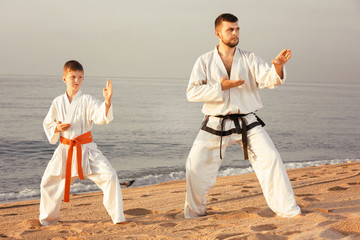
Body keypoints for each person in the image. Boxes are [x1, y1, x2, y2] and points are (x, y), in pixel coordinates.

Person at [184, 13, 301, 218]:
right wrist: (219, 87)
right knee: (194, 165)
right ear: (218, 33)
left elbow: (269, 80)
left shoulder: (249, 58)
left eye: (237, 29)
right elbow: (191, 93)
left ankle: (288, 211)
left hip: (247, 121)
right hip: (215, 122)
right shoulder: (204, 61)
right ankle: (194, 212)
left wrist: (278, 68)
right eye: (230, 29)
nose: (235, 33)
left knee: (271, 159)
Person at [39, 60, 126, 226]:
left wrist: (107, 101)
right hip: (65, 149)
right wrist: (57, 127)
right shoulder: (57, 102)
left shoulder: (87, 100)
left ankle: (118, 218)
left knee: (110, 176)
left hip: (86, 149)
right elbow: (48, 123)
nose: (77, 80)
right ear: (64, 78)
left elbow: (102, 116)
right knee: (48, 182)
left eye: (80, 77)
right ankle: (48, 219)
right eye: (73, 77)